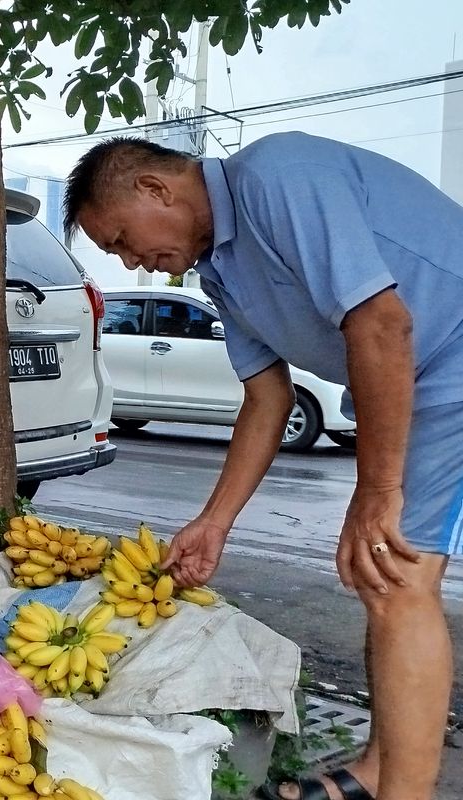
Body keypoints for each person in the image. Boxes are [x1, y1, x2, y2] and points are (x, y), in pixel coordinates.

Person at [65, 133, 461, 800]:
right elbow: (266, 396)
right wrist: (214, 523)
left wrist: (376, 490)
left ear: (154, 190)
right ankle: (375, 769)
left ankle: (407, 790)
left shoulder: (276, 176)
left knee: (396, 575)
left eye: (123, 241)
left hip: (449, 364)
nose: (134, 262)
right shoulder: (219, 269)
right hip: (417, 376)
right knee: (379, 579)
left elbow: (382, 324)